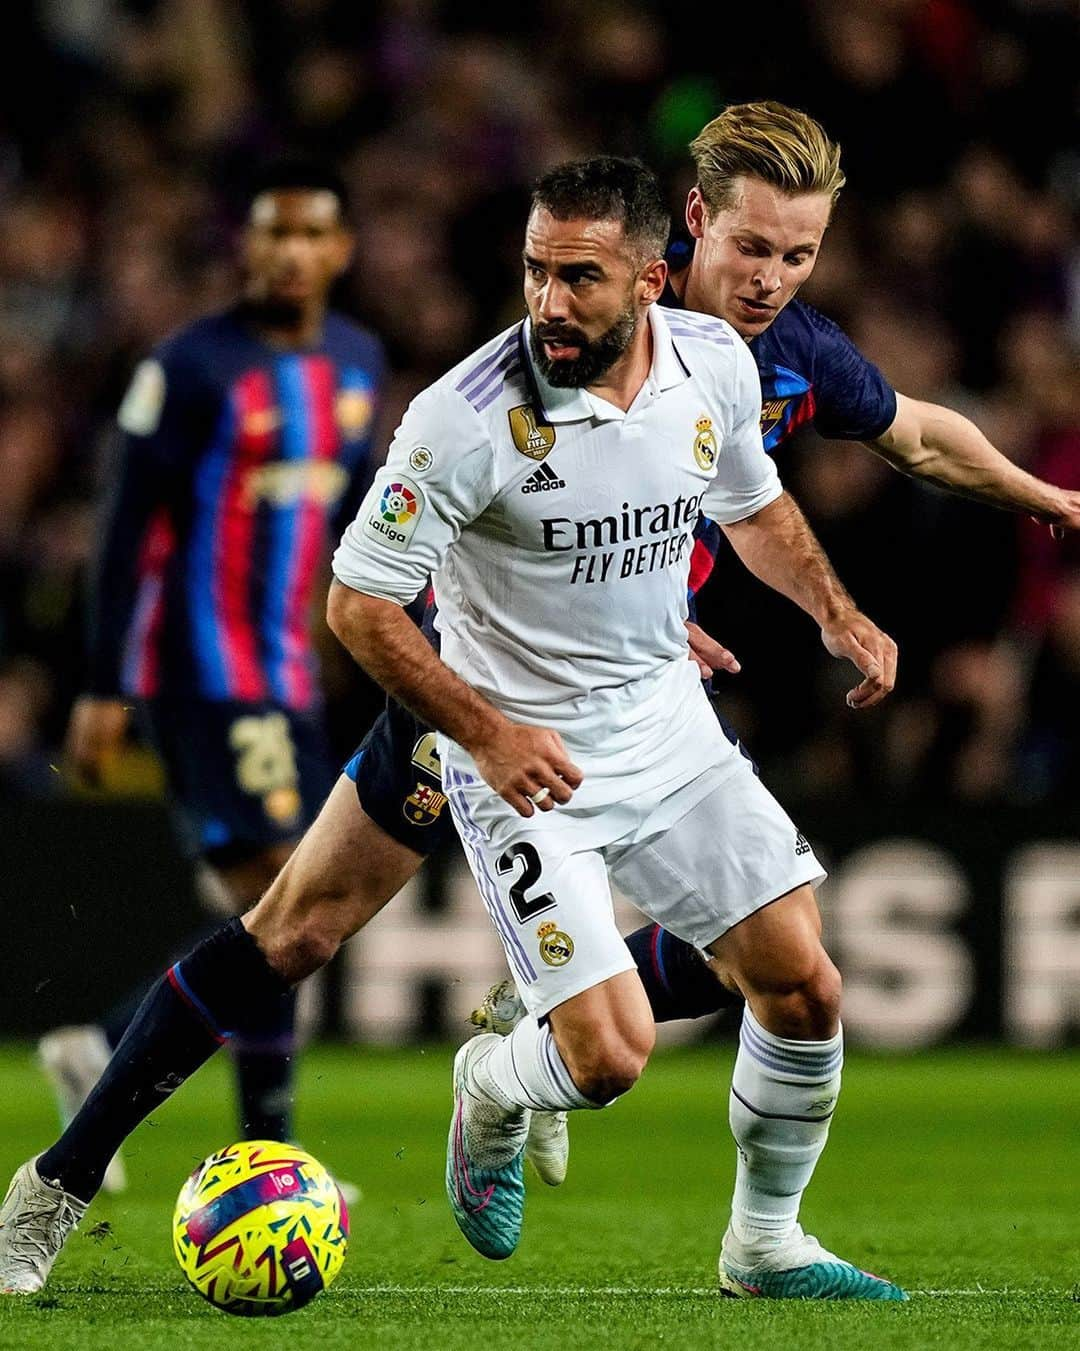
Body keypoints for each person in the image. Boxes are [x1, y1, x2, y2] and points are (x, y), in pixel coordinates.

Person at [39, 157, 385, 1182]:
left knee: (288, 903)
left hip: (291, 673)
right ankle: (265, 1149)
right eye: (271, 234)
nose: (288, 254)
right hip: (200, 665)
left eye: (309, 234)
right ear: (247, 248)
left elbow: (366, 522)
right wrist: (102, 682)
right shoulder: (190, 366)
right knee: (289, 890)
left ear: (339, 251)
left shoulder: (359, 362)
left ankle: (109, 1043)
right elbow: (120, 526)